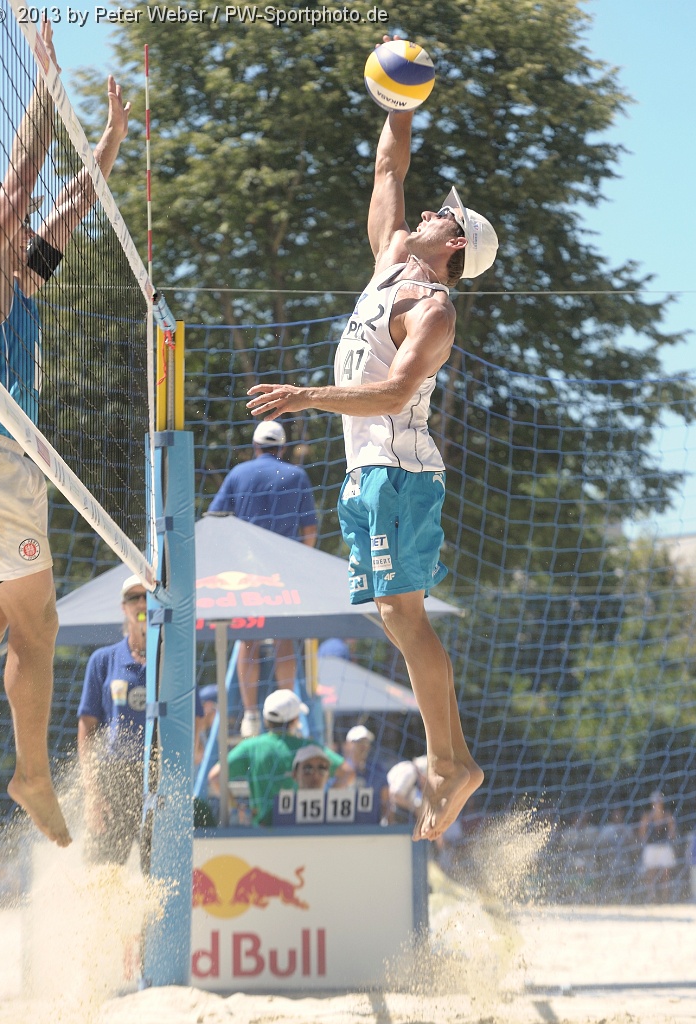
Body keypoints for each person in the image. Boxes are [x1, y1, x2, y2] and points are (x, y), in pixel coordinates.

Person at [246, 39, 495, 840]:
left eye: (443, 215)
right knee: (393, 618)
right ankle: (455, 759)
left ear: (455, 245)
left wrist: (306, 395)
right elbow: (389, 172)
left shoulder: (435, 311)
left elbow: (392, 392)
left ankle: (449, 762)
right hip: (366, 473)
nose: (428, 211)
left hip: (398, 469)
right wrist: (399, 101)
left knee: (403, 613)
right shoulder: (391, 262)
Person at [0, 20, 130, 847]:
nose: (31, 217)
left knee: (0, 625)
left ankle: (30, 771)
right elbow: (22, 180)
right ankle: (32, 773)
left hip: (2, 470)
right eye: (16, 217)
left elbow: (66, 204)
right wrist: (44, 83)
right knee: (38, 627)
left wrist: (105, 144)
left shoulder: (17, 281)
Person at [77, 576, 205, 866]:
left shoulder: (174, 660)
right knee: (102, 872)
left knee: (159, 871)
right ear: (124, 608)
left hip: (160, 775)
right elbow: (86, 729)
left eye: (146, 596)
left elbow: (196, 718)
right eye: (133, 598)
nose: (141, 602)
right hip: (115, 776)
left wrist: (182, 767)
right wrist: (92, 793)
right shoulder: (104, 660)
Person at [207, 420, 318, 738]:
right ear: (282, 448)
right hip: (283, 573)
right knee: (285, 640)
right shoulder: (297, 475)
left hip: (245, 573)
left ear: (255, 446)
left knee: (248, 639)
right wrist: (298, 563)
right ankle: (291, 710)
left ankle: (251, 716)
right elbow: (309, 532)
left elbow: (215, 520)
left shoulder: (237, 475)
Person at [207, 688, 352, 826]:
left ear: (266, 720)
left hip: (262, 829)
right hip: (303, 826)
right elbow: (348, 773)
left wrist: (237, 807)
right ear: (295, 720)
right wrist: (324, 801)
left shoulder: (252, 746)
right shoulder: (309, 747)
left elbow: (215, 776)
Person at [638, 790, 678, 902]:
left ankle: (665, 898)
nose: (657, 803)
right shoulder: (647, 816)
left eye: (659, 800)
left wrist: (668, 837)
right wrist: (647, 841)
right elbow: (642, 832)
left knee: (665, 874)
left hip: (664, 847)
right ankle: (652, 897)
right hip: (651, 847)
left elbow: (672, 832)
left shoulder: (667, 815)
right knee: (650, 873)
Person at [343, 724, 389, 821]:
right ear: (348, 745)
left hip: (372, 829)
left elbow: (386, 802)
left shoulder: (378, 770)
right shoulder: (340, 770)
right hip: (344, 828)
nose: (364, 746)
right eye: (359, 742)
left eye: (366, 742)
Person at [386, 755, 427, 827]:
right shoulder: (410, 771)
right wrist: (414, 808)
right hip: (391, 809)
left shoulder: (415, 777)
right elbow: (395, 795)